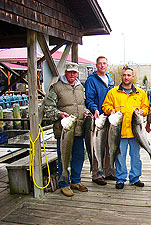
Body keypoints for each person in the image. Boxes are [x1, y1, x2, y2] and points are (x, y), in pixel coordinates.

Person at [44, 62, 89, 197]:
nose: (72, 75)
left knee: (79, 156)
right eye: (70, 72)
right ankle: (64, 183)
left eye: (74, 72)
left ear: (77, 74)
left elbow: (82, 105)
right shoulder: (56, 87)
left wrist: (86, 112)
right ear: (65, 72)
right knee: (63, 157)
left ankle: (76, 180)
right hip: (63, 130)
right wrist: (59, 114)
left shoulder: (81, 87)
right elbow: (48, 108)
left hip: (79, 129)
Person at [102, 66, 150, 189]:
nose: (126, 77)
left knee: (136, 156)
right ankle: (120, 178)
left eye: (129, 75)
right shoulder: (113, 92)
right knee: (119, 156)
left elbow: (146, 108)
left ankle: (135, 178)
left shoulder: (141, 93)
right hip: (119, 132)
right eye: (124, 75)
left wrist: (142, 112)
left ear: (132, 77)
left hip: (136, 133)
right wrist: (110, 110)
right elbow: (105, 106)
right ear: (121, 76)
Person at [85, 56, 115, 186]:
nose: (102, 65)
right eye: (100, 64)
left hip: (110, 116)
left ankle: (108, 171)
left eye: (104, 63)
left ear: (107, 65)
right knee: (97, 145)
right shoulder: (91, 80)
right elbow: (89, 99)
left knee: (109, 144)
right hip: (98, 117)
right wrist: (94, 109)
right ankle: (96, 174)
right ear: (96, 65)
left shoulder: (110, 78)